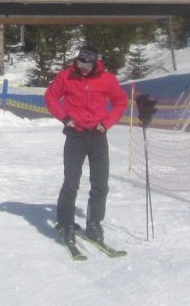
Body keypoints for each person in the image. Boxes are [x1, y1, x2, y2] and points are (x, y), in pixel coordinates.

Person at [43, 44, 128, 247]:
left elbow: (121, 101)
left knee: (100, 184)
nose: (83, 68)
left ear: (95, 64)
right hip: (75, 136)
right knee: (71, 182)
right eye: (81, 63)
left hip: (98, 136)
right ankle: (66, 224)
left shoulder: (106, 79)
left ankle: (94, 224)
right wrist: (64, 118)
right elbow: (50, 97)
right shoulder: (66, 76)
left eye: (88, 65)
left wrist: (106, 123)